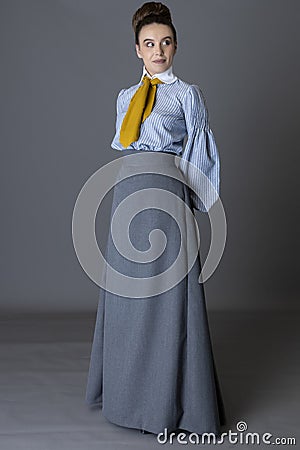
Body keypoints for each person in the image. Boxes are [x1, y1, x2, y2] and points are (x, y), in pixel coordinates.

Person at [85, 1, 226, 437]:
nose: (158, 50)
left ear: (175, 45)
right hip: (127, 193)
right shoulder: (125, 98)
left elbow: (199, 154)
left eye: (165, 42)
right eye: (149, 44)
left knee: (168, 299)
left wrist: (193, 201)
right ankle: (126, 399)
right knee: (127, 298)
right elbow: (125, 148)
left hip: (167, 197)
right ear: (137, 49)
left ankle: (171, 405)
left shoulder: (189, 94)